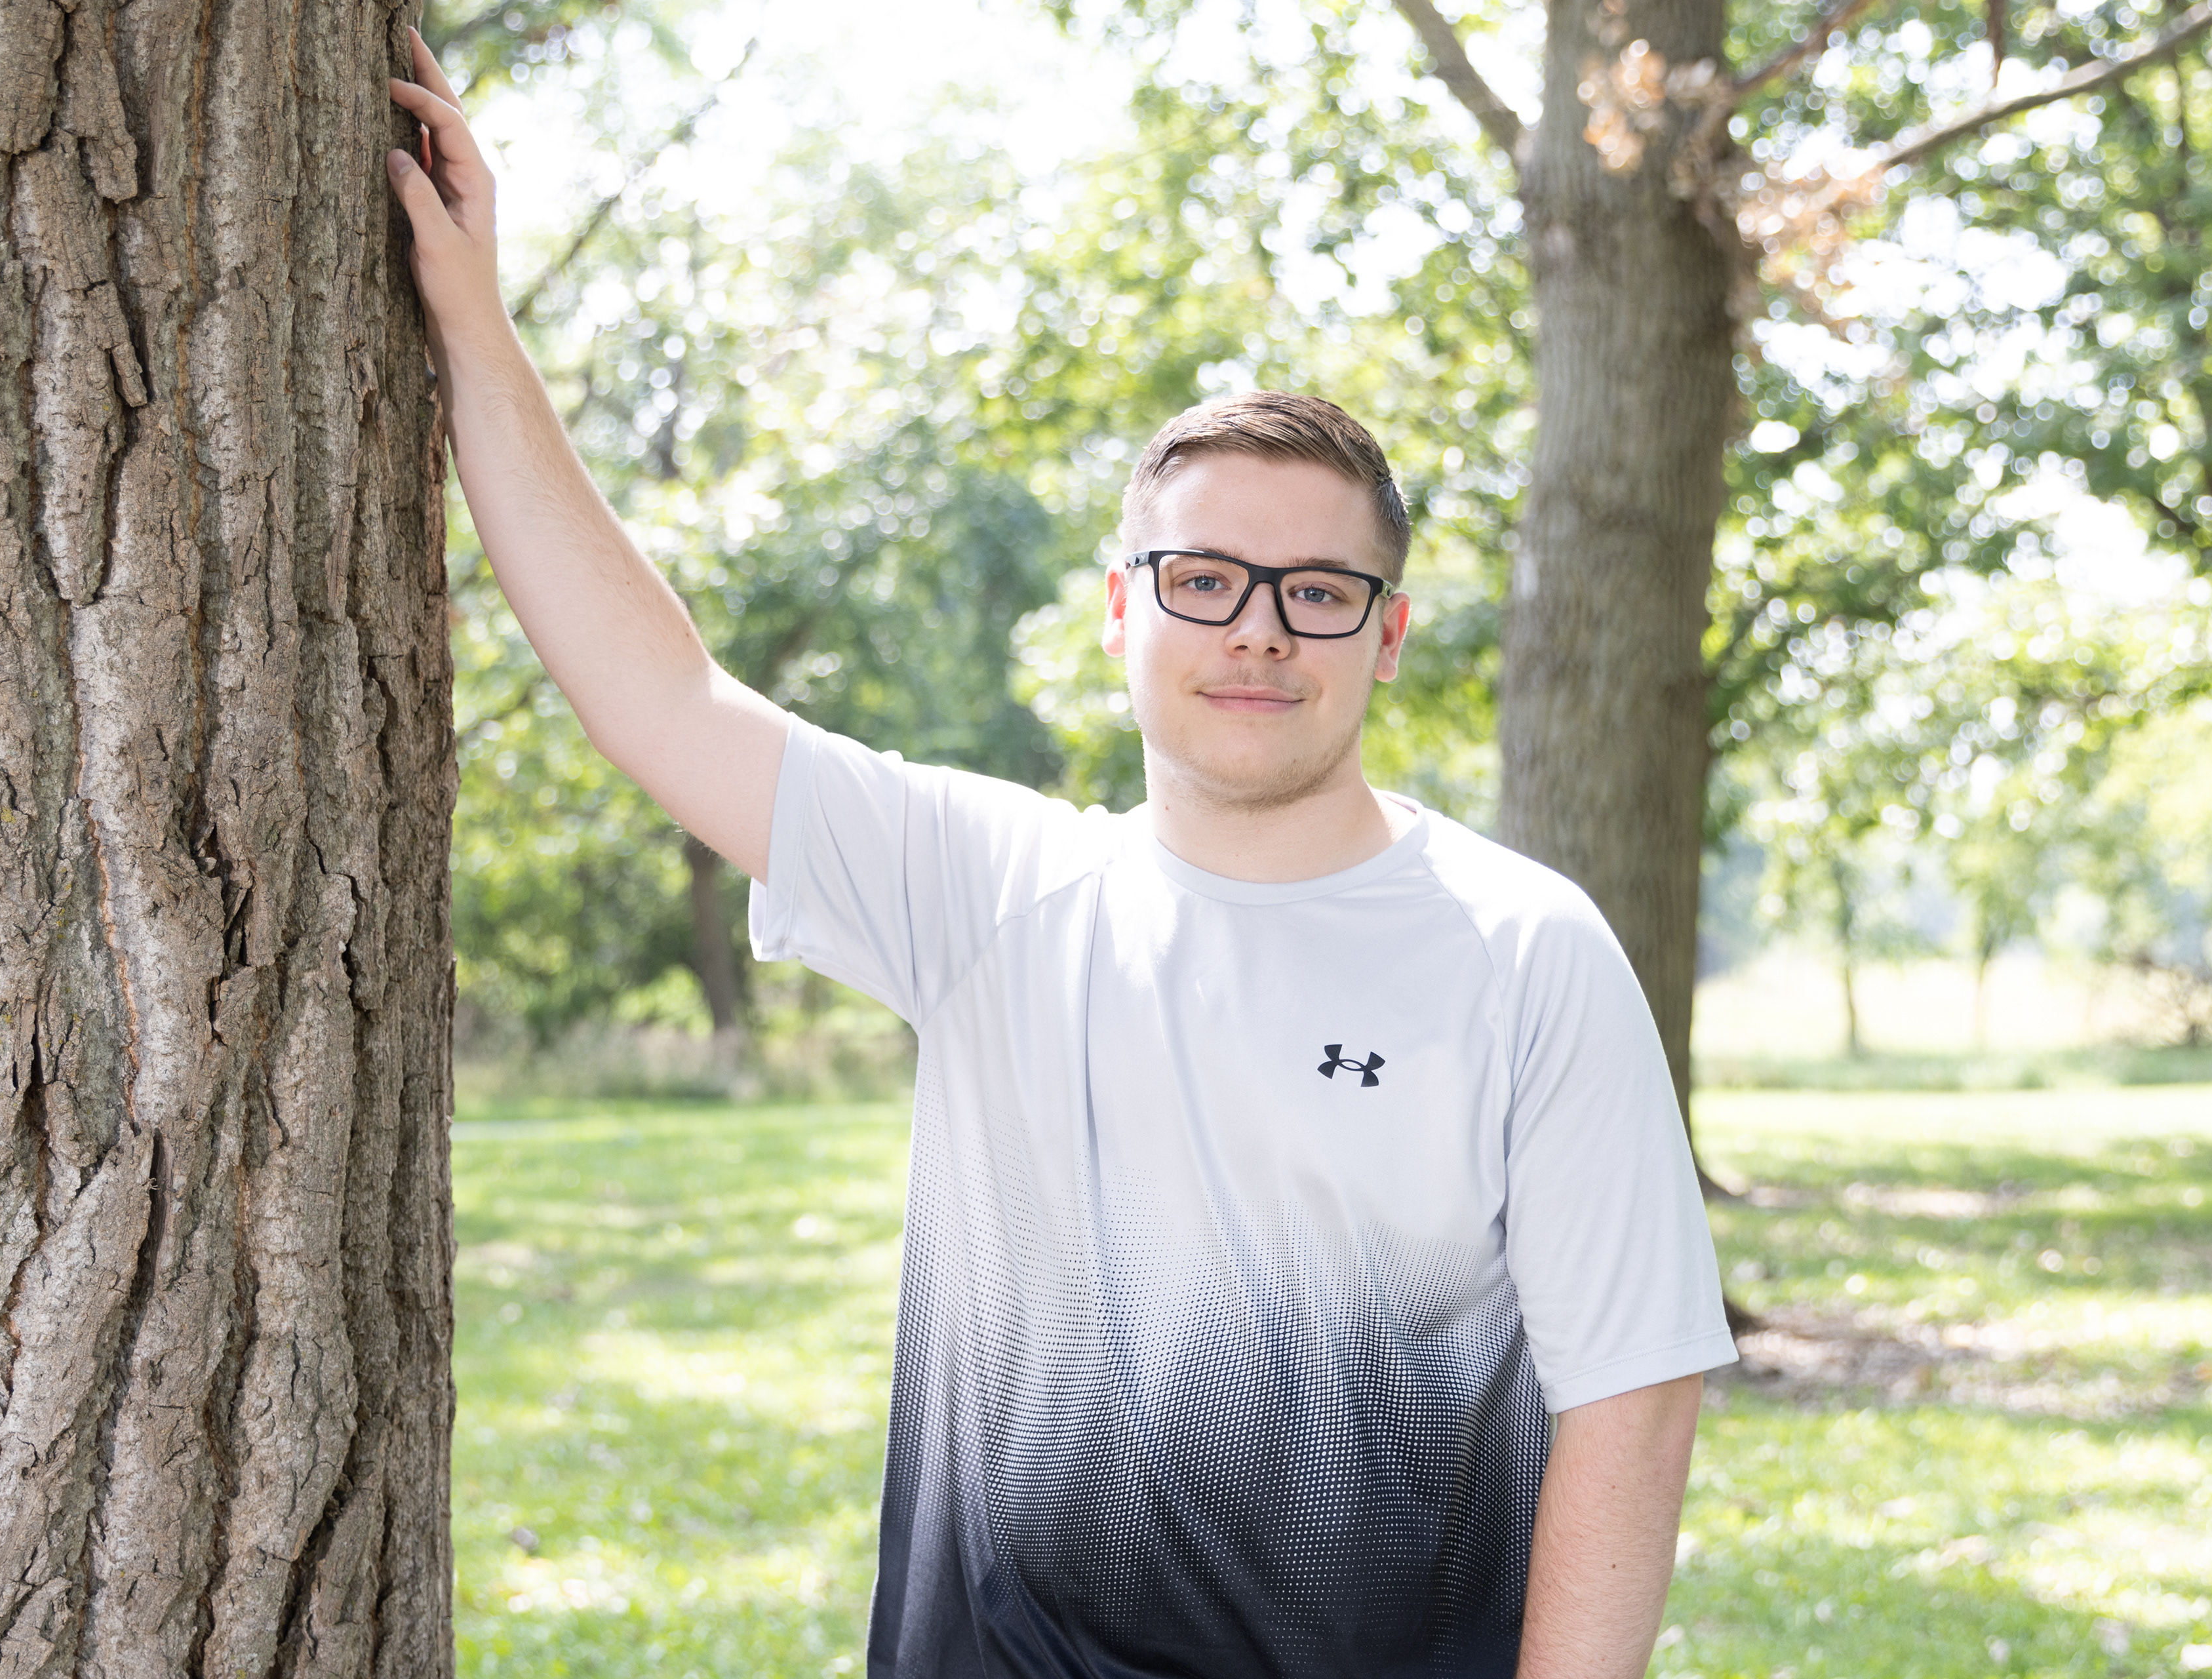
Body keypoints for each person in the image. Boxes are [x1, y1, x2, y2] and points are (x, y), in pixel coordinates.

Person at [386, 32, 1735, 1678]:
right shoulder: (987, 891)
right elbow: (659, 696)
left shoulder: (1524, 948)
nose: (1258, 632)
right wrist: (473, 321)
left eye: (1318, 592)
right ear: (1119, 611)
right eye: (1204, 580)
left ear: (1386, 637)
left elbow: (1632, 1397)